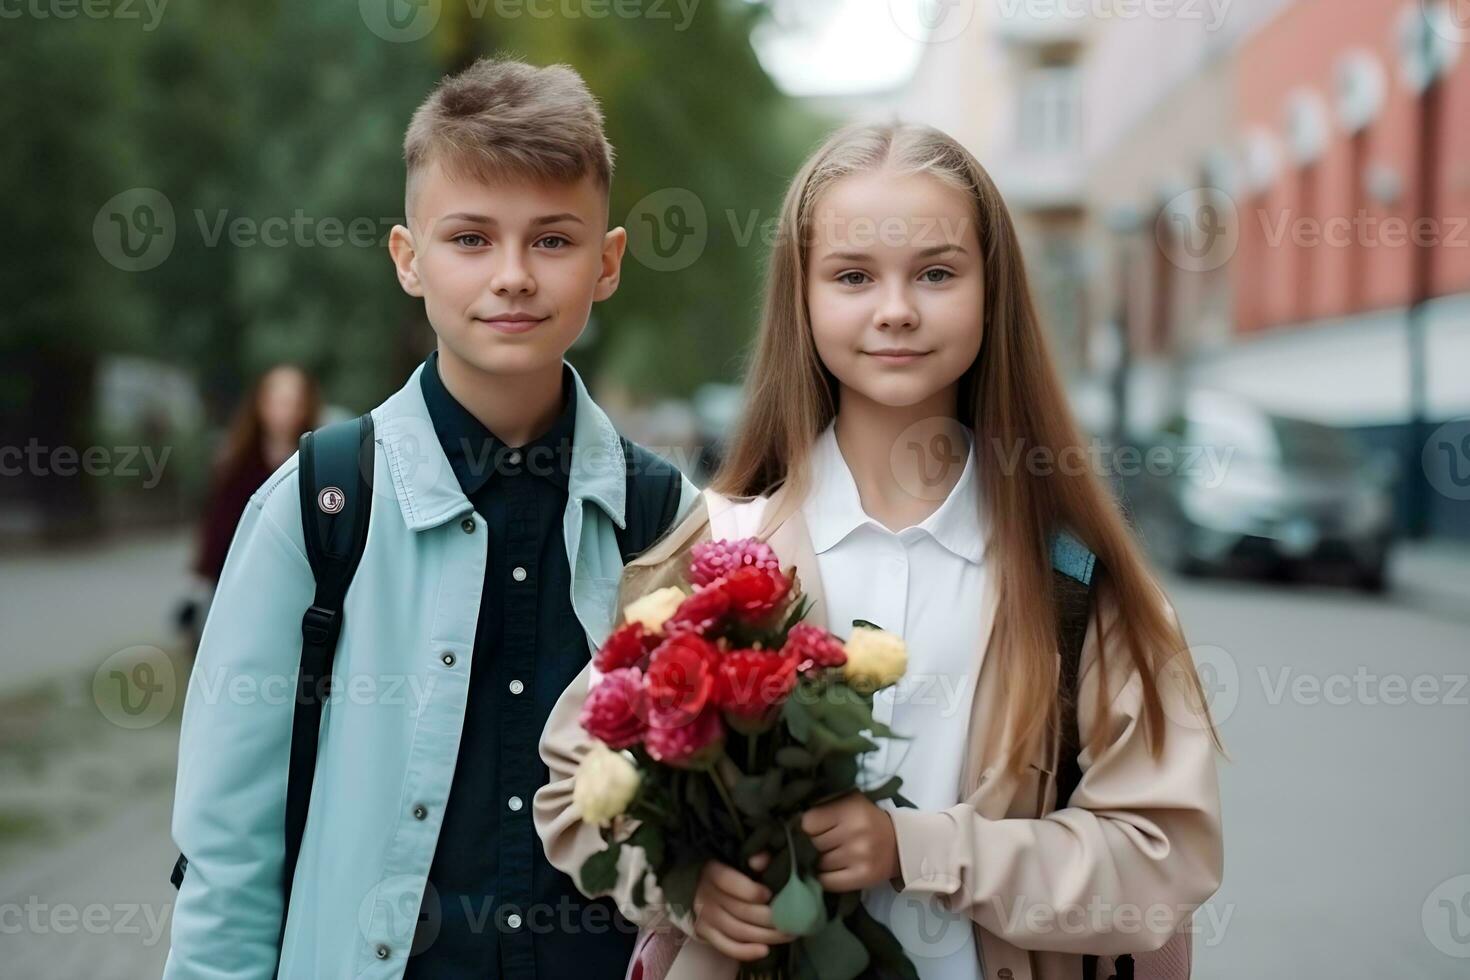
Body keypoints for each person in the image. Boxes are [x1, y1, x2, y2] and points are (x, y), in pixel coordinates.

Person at [535, 122, 1224, 980]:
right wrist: (686, 889)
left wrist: (916, 846)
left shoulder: (1076, 580)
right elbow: (573, 790)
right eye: (853, 276)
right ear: (803, 297)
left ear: (991, 290)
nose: (896, 309)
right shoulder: (722, 551)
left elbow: (1165, 859)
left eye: (937, 273)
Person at [164, 58, 699, 980]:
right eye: (470, 238)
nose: (513, 277)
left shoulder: (664, 519)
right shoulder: (321, 503)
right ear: (409, 260)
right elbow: (229, 847)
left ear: (607, 263)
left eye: (553, 241)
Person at [176, 365, 320, 638]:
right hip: (238, 578)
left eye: (293, 401)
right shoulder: (236, 462)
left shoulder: (319, 461)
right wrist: (198, 582)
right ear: (261, 404)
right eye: (278, 400)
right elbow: (217, 525)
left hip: (298, 584)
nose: (285, 411)